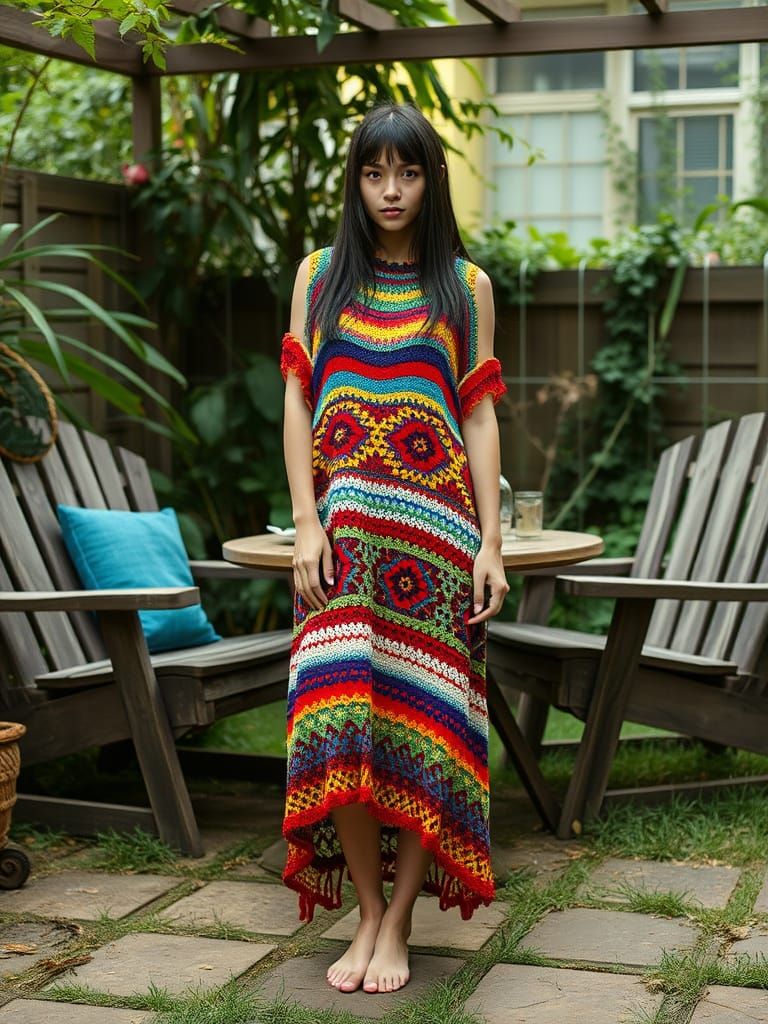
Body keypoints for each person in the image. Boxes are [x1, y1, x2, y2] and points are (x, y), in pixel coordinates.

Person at [279, 102, 509, 996]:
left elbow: (480, 413)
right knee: (337, 725)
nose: (390, 191)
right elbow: (299, 400)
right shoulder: (319, 276)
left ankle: (400, 919)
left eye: (407, 174)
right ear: (356, 179)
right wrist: (306, 521)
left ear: (431, 180)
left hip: (438, 546)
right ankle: (366, 910)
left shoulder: (466, 286)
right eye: (374, 174)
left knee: (424, 727)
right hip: (339, 552)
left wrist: (492, 541)